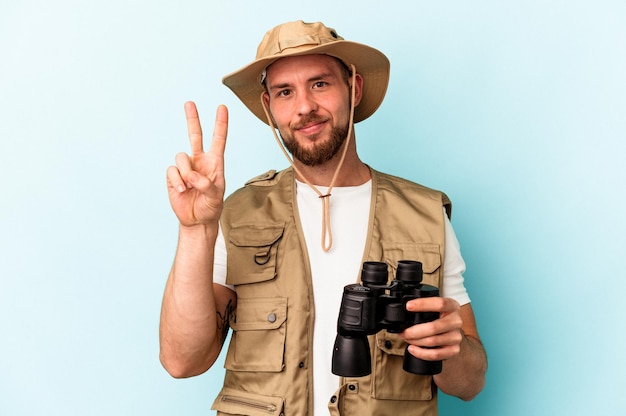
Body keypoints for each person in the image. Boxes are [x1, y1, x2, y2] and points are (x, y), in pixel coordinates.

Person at [160, 20, 487, 415]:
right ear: (269, 108)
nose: (304, 108)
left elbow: (470, 384)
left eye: (320, 84)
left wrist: (449, 349)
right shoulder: (236, 214)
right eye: (285, 92)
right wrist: (195, 229)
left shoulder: (425, 215)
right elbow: (182, 361)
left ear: (354, 88)